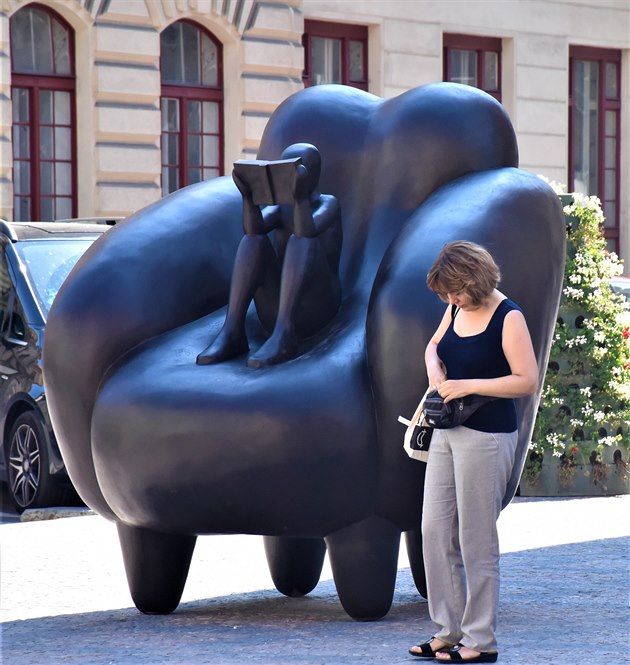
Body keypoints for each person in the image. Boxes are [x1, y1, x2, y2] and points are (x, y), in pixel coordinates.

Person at [409, 241, 538, 663]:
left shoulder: (508, 316)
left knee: (476, 539)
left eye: (454, 292)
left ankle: (481, 641)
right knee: (434, 530)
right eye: (446, 294)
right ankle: (448, 631)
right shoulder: (454, 310)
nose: (449, 300)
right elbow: (434, 347)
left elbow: (526, 381)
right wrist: (435, 374)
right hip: (447, 433)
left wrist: (467, 385)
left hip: (487, 436)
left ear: (473, 281)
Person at [196, 143, 342, 368]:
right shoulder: (282, 209)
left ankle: (286, 334)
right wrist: (248, 198)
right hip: (279, 305)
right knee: (254, 239)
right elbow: (253, 228)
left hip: (318, 305)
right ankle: (233, 330)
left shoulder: (328, 203)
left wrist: (300, 197)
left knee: (301, 239)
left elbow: (308, 230)